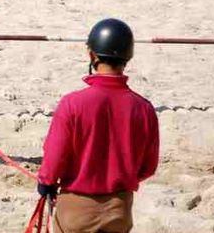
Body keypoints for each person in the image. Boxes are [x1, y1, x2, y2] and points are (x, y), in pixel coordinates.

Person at [37, 18, 160, 233]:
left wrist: (46, 182)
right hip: (119, 209)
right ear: (127, 57)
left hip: (76, 209)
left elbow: (55, 155)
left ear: (92, 55)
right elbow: (147, 167)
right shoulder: (144, 108)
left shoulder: (72, 103)